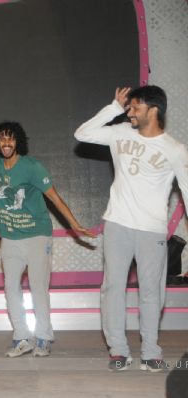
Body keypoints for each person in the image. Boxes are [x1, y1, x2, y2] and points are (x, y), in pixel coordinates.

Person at [74, 85, 188, 372]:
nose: (130, 112)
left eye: (135, 107)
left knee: (152, 292)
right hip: (117, 224)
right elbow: (82, 134)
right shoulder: (120, 131)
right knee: (113, 287)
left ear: (154, 109)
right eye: (128, 107)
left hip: (151, 230)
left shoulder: (175, 149)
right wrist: (113, 107)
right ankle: (118, 351)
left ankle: (150, 351)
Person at [0, 121, 94, 358]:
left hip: (37, 236)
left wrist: (74, 224)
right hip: (9, 238)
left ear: (18, 141)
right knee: (11, 289)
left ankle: (43, 337)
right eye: (2, 139)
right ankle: (21, 337)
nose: (7, 143)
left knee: (38, 287)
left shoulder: (32, 167)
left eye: (11, 139)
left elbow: (55, 197)